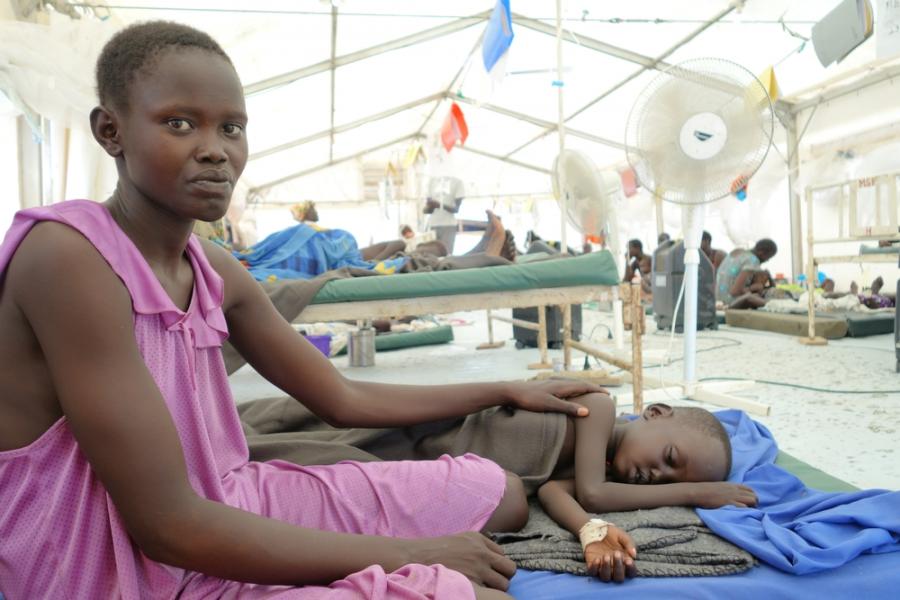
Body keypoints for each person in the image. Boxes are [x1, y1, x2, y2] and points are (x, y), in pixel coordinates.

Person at [0, 21, 607, 599]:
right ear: (111, 131)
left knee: (498, 493)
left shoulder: (214, 268)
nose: (214, 151)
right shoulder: (70, 258)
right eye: (180, 123)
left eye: (231, 128)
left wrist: (504, 388)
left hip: (221, 502)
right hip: (101, 561)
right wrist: (408, 554)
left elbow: (343, 400)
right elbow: (166, 526)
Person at [716, 238, 778, 306]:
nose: (767, 260)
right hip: (729, 302)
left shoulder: (738, 252)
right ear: (761, 253)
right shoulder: (753, 261)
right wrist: (753, 288)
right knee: (771, 304)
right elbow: (734, 292)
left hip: (717, 300)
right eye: (768, 257)